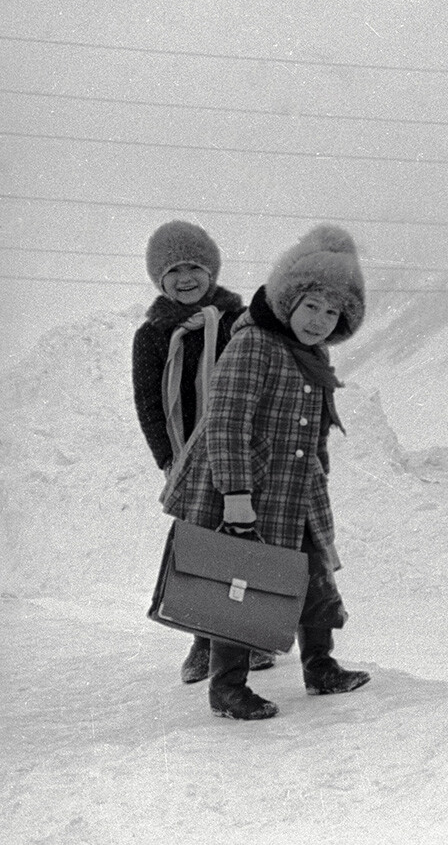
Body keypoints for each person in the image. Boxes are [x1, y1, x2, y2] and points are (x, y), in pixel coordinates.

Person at [161, 223, 370, 720]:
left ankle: (320, 666)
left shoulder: (311, 355)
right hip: (247, 492)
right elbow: (225, 423)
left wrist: (318, 469)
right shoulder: (254, 344)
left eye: (332, 311)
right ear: (288, 303)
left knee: (314, 579)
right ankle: (228, 688)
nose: (320, 320)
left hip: (297, 493)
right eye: (312, 307)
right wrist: (236, 495)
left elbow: (314, 427)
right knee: (243, 587)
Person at [131, 220, 275, 683]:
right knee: (199, 544)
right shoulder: (152, 335)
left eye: (195, 266)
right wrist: (167, 459)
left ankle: (251, 641)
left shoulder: (240, 321)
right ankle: (202, 642)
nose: (185, 277)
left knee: (248, 539)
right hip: (187, 456)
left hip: (240, 450)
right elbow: (150, 402)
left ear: (211, 270)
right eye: (174, 270)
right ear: (160, 279)